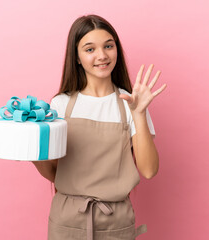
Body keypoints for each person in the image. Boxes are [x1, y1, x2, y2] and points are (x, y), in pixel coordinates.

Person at [33, 14, 167, 240]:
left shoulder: (130, 103)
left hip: (116, 220)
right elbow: (55, 174)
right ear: (76, 57)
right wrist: (32, 150)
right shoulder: (60, 105)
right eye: (89, 49)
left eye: (108, 46)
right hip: (67, 220)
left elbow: (149, 170)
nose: (102, 56)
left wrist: (139, 114)